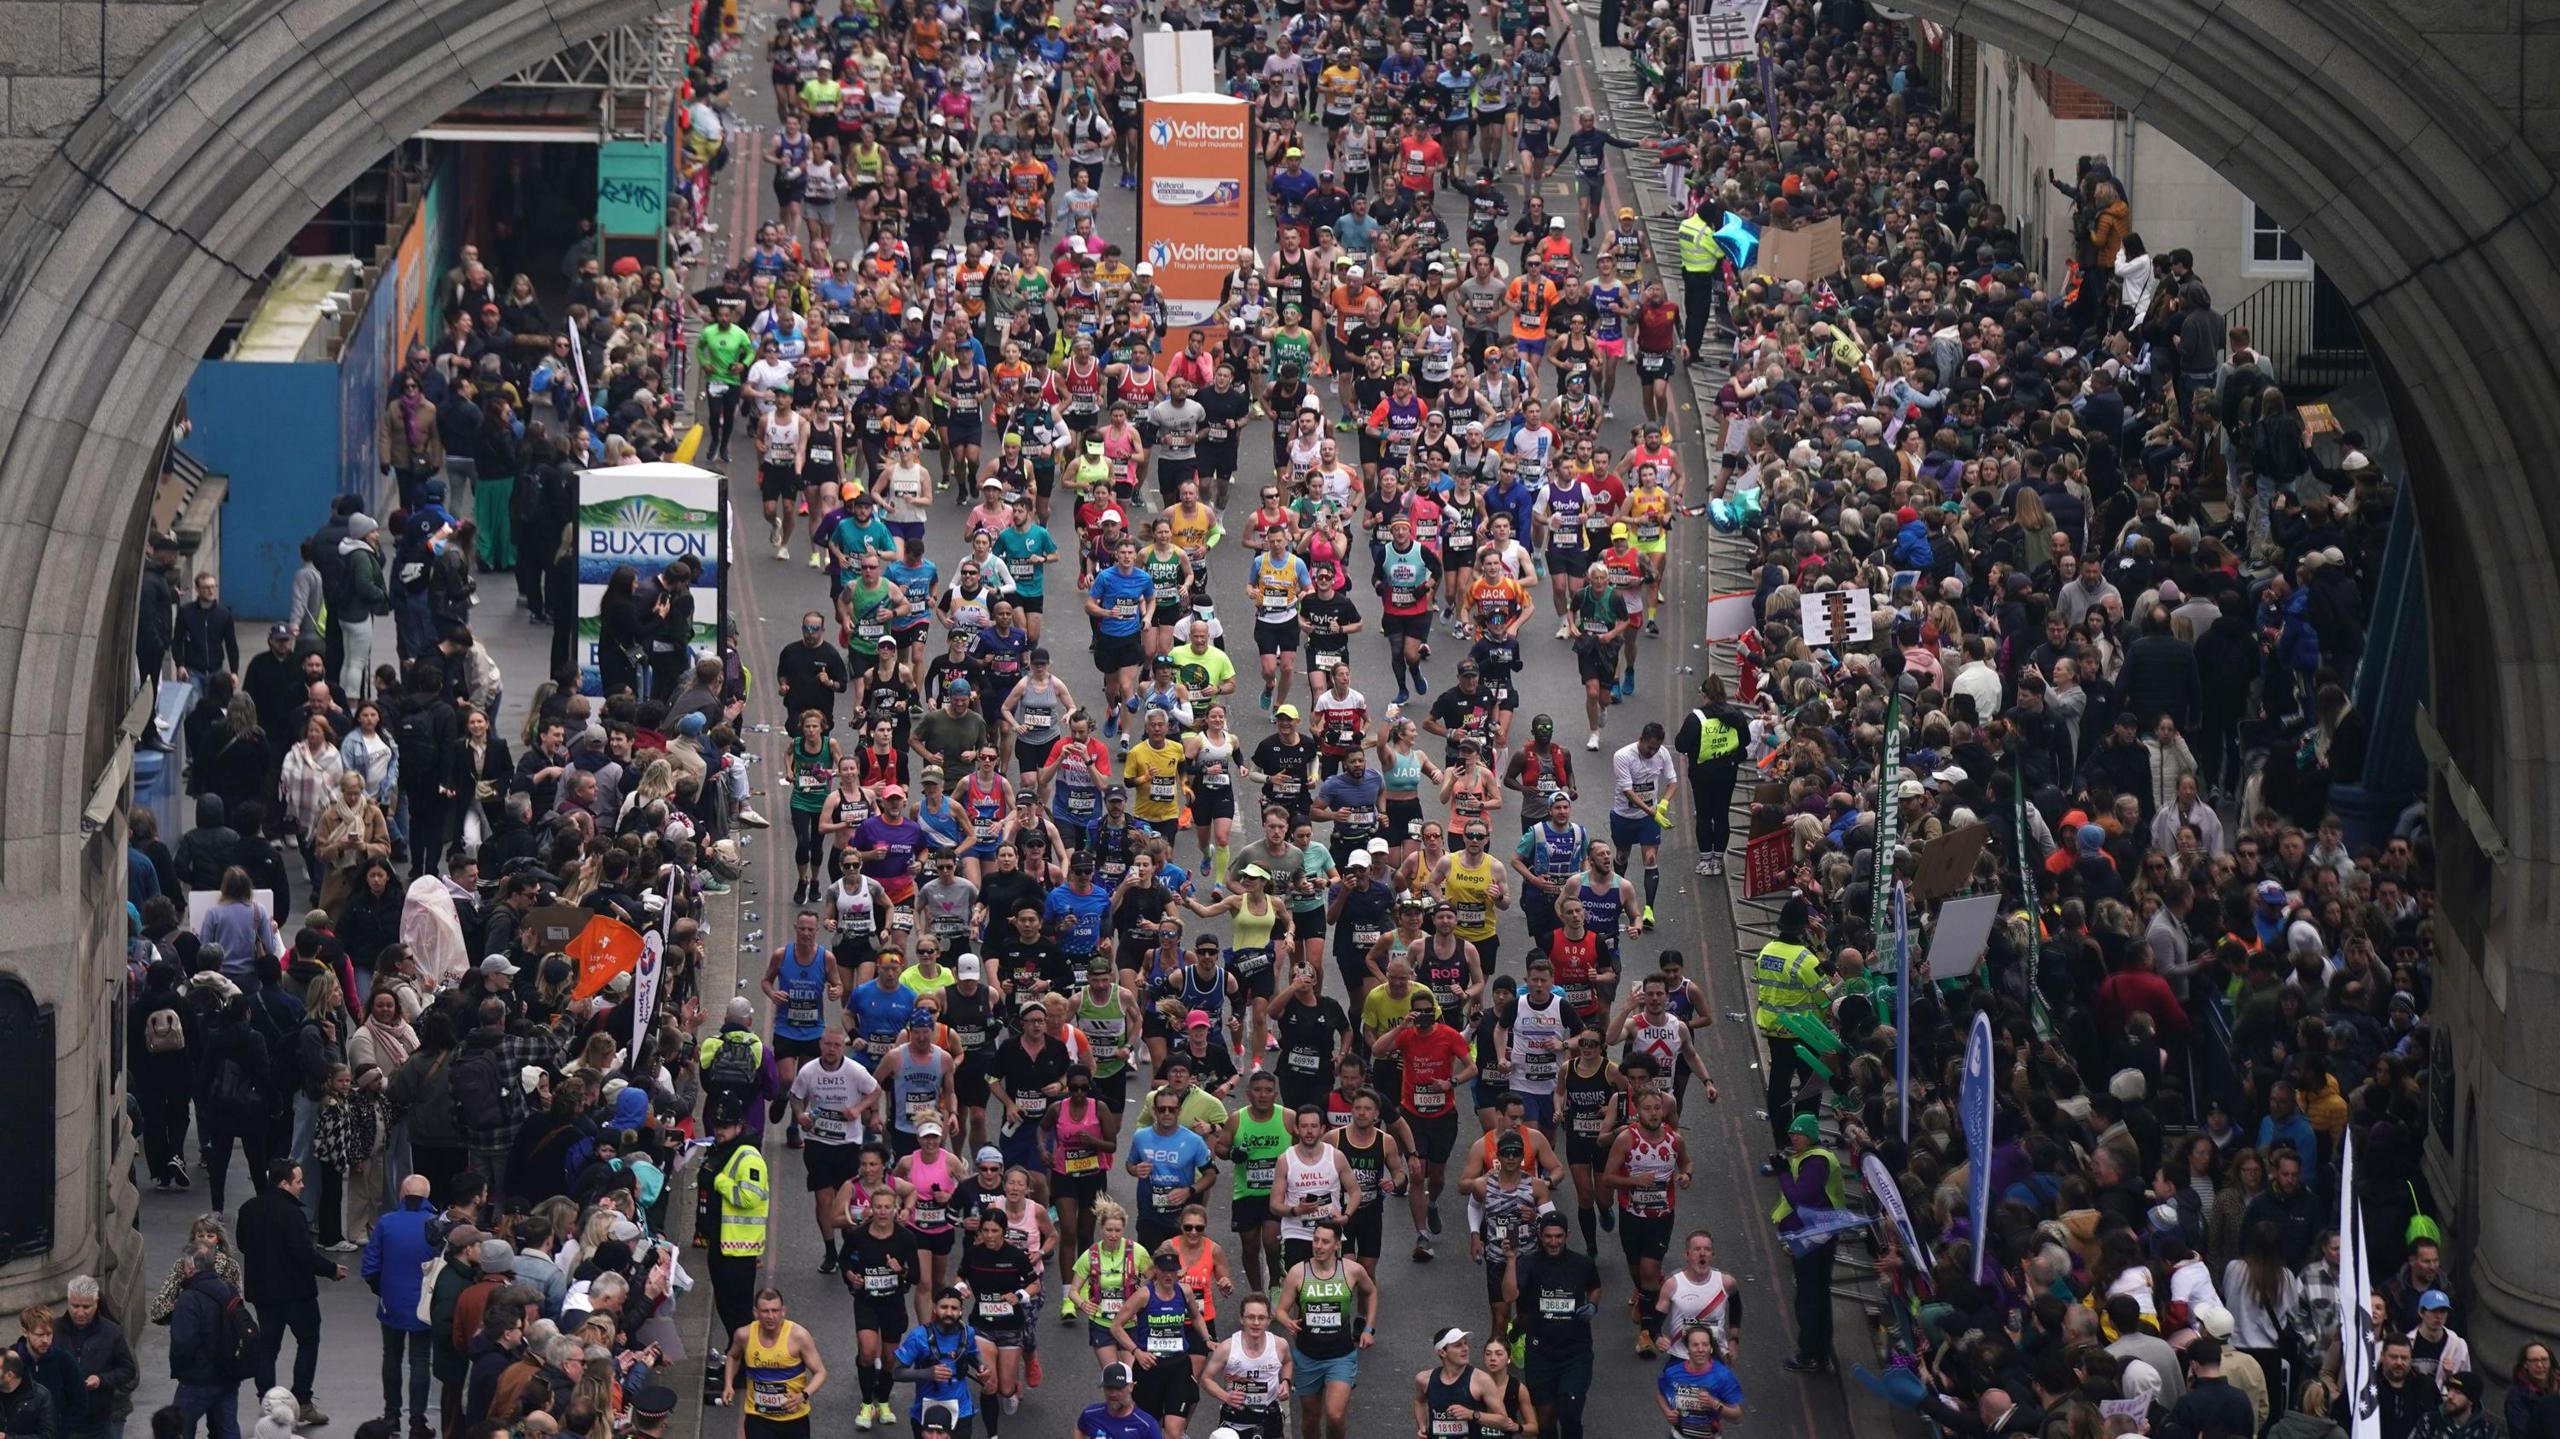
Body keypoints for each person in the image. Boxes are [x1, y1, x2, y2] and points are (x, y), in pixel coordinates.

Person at [234, 1161, 344, 1426]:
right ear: (284, 1184)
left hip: (263, 1292)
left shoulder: (249, 1209)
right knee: (307, 1341)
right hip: (297, 1293)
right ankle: (302, 1401)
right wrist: (331, 1269)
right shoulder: (293, 1214)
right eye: (298, 1181)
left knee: (268, 1348)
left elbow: (243, 1244)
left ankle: (268, 1402)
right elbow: (303, 1253)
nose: (303, 1186)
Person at [358, 1175, 438, 1439]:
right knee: (420, 1360)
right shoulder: (435, 1226)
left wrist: (383, 1290)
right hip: (423, 1306)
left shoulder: (386, 1222)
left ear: (402, 1194)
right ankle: (418, 1421)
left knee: (390, 1356)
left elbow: (370, 1266)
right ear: (427, 1196)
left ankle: (391, 1415)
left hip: (391, 1303)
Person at [1769, 1114, 1841, 1375]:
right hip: (1815, 1235)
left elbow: (1800, 1197)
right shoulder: (1812, 1157)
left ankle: (1811, 1354)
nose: (1793, 1136)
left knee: (1809, 1297)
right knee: (1817, 1295)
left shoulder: (1817, 1161)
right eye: (1791, 1132)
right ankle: (1819, 1351)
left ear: (1810, 1135)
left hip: (1816, 1239)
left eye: (1798, 1133)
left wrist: (1784, 1174)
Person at [723, 1287, 827, 1437]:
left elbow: (820, 1372)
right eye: (765, 1311)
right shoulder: (744, 1335)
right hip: (758, 1417)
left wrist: (803, 1395)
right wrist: (728, 1384)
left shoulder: (799, 1336)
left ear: (783, 1311)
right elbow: (733, 1356)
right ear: (755, 1312)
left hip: (794, 1418)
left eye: (775, 1310)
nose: (770, 1316)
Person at [167, 1246, 246, 1439]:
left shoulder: (189, 1298)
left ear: (191, 1267)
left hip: (197, 1378)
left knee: (179, 1429)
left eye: (185, 1265)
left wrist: (181, 1370)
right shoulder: (229, 1289)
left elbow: (183, 1342)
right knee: (227, 1428)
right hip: (228, 1374)